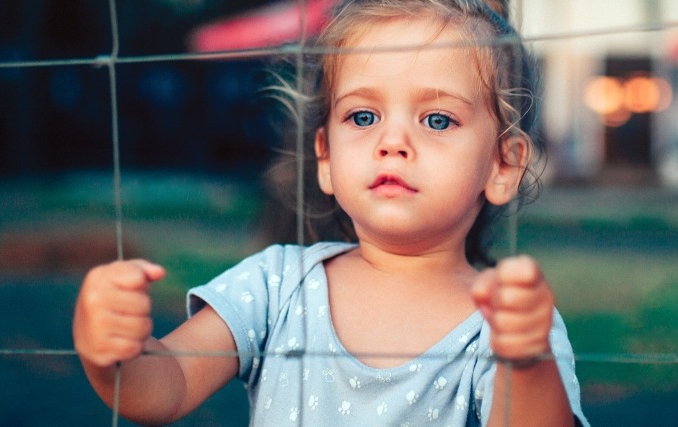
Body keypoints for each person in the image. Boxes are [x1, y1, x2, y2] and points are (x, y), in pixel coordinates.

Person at [72, 0, 589, 425]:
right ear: (324, 156)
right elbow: (165, 388)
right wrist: (112, 352)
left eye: (437, 118)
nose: (392, 141)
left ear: (504, 163)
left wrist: (525, 362)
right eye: (363, 116)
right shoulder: (276, 285)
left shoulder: (503, 325)